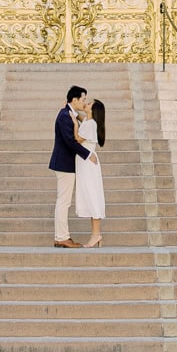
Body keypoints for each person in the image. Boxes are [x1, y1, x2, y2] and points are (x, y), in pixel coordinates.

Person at [49, 83, 93, 247]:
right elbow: (70, 141)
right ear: (74, 100)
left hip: (67, 163)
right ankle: (61, 237)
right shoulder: (64, 116)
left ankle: (61, 236)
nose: (84, 102)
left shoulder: (70, 114)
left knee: (64, 201)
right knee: (64, 201)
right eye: (83, 99)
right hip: (64, 164)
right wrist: (88, 155)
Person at [74, 97, 107, 247]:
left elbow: (77, 139)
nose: (85, 104)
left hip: (88, 163)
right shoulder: (89, 121)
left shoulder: (91, 124)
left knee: (92, 196)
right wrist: (75, 112)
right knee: (90, 195)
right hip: (85, 162)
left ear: (93, 110)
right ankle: (96, 234)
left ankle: (96, 234)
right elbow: (83, 118)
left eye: (88, 104)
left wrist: (74, 122)